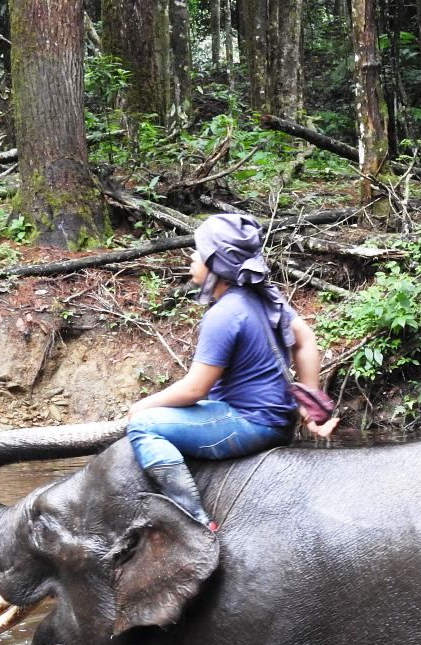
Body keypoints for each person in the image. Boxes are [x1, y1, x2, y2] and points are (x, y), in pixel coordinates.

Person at [126, 213, 337, 530]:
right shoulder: (265, 297)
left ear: (216, 264)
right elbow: (305, 340)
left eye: (198, 251)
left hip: (251, 423)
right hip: (277, 420)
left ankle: (195, 520)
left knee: (144, 425)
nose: (192, 257)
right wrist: (308, 403)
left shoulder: (224, 314)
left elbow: (196, 389)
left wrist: (140, 406)